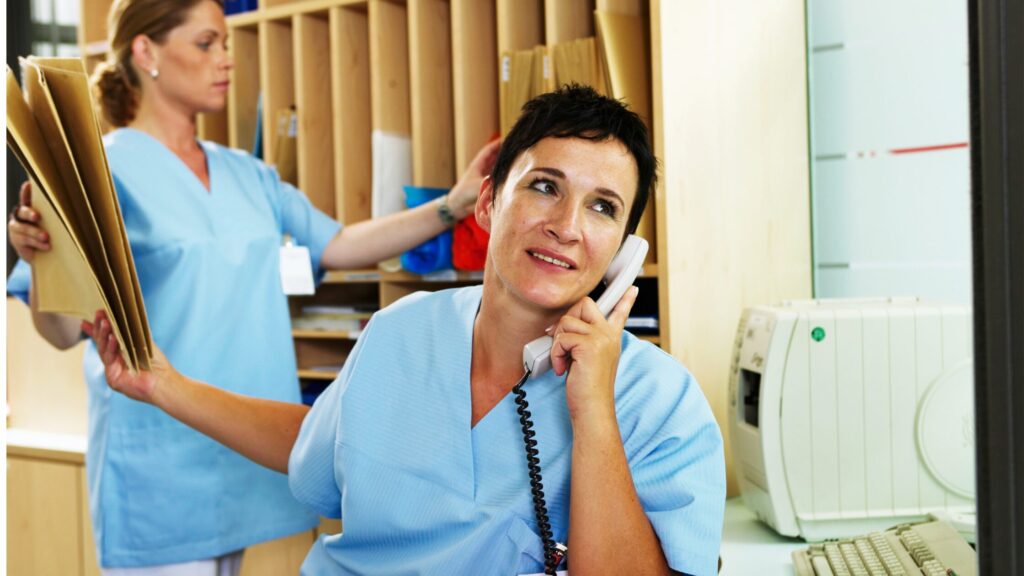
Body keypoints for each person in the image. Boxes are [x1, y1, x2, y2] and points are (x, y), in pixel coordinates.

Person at [85, 85, 727, 576]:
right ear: (486, 202)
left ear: (622, 250)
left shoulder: (659, 402)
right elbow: (316, 447)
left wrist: (591, 410)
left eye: (602, 206)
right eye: (543, 186)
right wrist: (161, 384)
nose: (566, 224)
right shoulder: (398, 333)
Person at [5, 0, 499, 573]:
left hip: (248, 447)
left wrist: (454, 204)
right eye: (206, 43)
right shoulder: (99, 172)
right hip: (161, 465)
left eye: (226, 43)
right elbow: (63, 331)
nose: (226, 59)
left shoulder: (249, 173)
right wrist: (42, 261)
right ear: (146, 52)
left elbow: (339, 245)